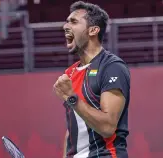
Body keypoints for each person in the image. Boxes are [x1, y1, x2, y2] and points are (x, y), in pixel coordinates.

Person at [53, 1, 130, 158]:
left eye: (73, 22)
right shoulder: (70, 72)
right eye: (67, 21)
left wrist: (71, 97)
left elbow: (108, 127)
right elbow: (73, 128)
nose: (65, 26)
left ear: (93, 30)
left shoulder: (111, 67)